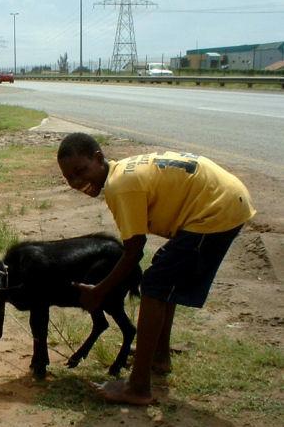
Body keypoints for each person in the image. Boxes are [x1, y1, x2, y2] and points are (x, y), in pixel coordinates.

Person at [57, 132, 255, 406]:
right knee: (163, 273)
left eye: (82, 171)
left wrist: (100, 291)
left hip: (217, 210)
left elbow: (134, 250)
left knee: (154, 286)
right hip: (224, 198)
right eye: (70, 178)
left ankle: (138, 387)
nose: (78, 182)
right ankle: (159, 357)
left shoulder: (119, 186)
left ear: (98, 158)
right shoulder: (121, 173)